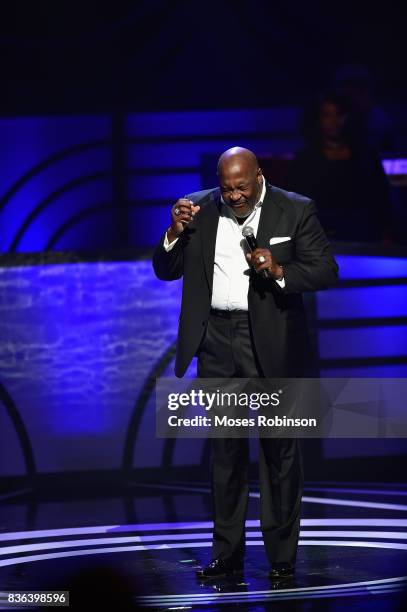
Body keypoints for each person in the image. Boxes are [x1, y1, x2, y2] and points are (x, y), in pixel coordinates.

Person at [153, 147, 338, 581]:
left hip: (270, 342)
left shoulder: (295, 209)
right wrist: (174, 232)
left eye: (241, 187)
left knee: (279, 450)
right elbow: (165, 269)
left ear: (258, 177)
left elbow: (326, 271)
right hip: (215, 341)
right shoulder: (198, 208)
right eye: (226, 188)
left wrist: (278, 269)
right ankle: (227, 552)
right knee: (225, 451)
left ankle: (281, 556)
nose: (233, 196)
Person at [286, 91, 391, 242]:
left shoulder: (365, 155)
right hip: (319, 238)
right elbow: (295, 203)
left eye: (339, 114)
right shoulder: (305, 159)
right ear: (318, 119)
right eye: (327, 115)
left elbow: (380, 197)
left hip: (364, 234)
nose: (334, 121)